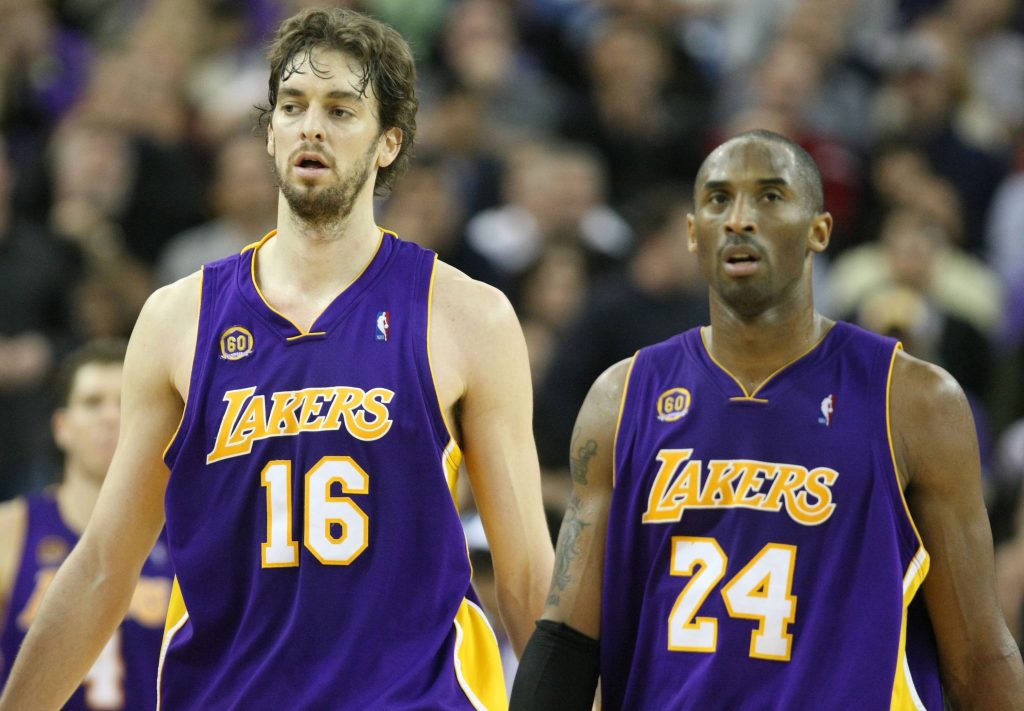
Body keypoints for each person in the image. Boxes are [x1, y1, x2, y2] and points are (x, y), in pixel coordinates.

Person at [0, 8, 552, 710]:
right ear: (268, 133)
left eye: (341, 109)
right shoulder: (179, 319)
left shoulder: (468, 316)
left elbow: (529, 577)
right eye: (292, 107)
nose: (310, 126)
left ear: (389, 142)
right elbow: (106, 562)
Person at [510, 129, 1024, 710]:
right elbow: (568, 640)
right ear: (691, 232)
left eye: (770, 196)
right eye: (718, 199)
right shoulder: (621, 398)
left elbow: (979, 655)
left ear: (819, 231)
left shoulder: (914, 400)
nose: (739, 219)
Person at [0, 339, 174, 709]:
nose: (111, 417)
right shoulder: (11, 529)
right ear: (62, 427)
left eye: (125, 404)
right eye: (93, 402)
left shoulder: (188, 532)